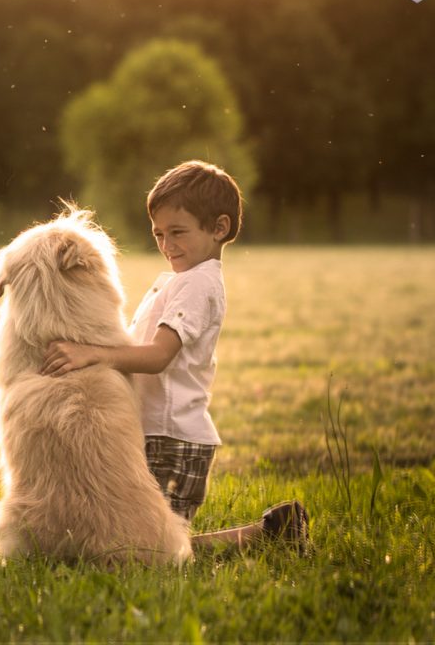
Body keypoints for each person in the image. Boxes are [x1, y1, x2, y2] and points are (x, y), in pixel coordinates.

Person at [41, 160, 308, 553]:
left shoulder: (198, 285)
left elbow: (158, 356)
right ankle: (273, 532)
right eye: (159, 234)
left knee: (151, 548)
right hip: (158, 433)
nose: (167, 246)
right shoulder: (182, 280)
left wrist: (90, 354)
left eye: (178, 233)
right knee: (143, 542)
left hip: (173, 439)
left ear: (219, 228)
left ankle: (268, 535)